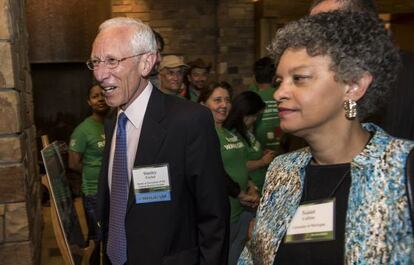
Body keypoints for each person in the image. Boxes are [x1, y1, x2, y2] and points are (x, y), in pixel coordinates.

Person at [238, 11, 414, 265]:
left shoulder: (402, 167)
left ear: (353, 86)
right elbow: (253, 258)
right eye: (280, 81)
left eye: (299, 79)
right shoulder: (281, 172)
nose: (279, 93)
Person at [87, 17, 229, 265]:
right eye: (96, 62)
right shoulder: (113, 123)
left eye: (112, 61)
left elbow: (213, 217)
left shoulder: (189, 121)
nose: (100, 74)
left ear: (146, 62)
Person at [310, 0, 414, 141]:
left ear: (363, 25)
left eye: (327, 25)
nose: (313, 35)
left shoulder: (406, 73)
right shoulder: (324, 75)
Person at [199, 82, 259, 265]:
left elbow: (240, 165)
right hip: (222, 216)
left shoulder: (228, 133)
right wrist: (240, 194)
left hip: (241, 211)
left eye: (227, 100)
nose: (223, 105)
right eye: (217, 100)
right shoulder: (202, 134)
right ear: (203, 104)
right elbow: (213, 171)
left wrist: (251, 186)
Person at [68, 84, 109, 265]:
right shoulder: (83, 130)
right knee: (97, 238)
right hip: (93, 192)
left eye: (103, 94)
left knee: (108, 235)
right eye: (95, 96)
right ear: (89, 102)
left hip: (111, 190)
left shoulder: (113, 123)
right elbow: (73, 163)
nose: (100, 99)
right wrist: (98, 174)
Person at [224, 91, 275, 195]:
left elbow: (249, 153)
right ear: (244, 114)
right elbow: (237, 166)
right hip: (250, 191)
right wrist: (262, 162)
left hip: (260, 187)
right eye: (254, 115)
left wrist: (262, 153)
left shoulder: (246, 130)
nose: (255, 119)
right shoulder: (232, 135)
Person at [250, 57, 281, 152]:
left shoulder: (252, 96)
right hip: (282, 149)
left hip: (259, 152)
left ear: (255, 77)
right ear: (274, 77)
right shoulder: (281, 94)